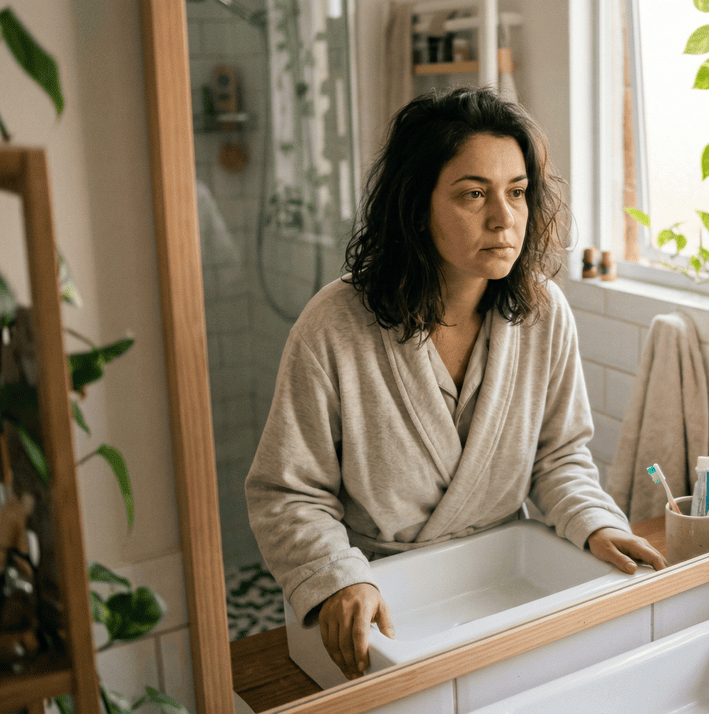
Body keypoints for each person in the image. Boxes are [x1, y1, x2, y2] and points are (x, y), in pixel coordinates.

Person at [245, 87, 664, 680]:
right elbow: (287, 493)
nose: (504, 218)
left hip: (501, 574)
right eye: (474, 194)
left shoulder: (544, 314)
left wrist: (594, 520)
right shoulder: (334, 326)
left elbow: (559, 457)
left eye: (517, 192)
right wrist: (338, 578)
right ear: (418, 206)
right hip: (384, 594)